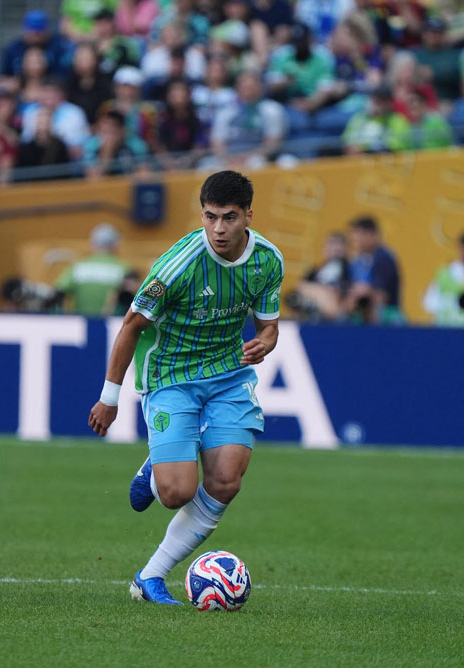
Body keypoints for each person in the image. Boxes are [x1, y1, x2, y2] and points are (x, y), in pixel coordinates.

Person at [87, 170, 283, 605]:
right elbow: (132, 325)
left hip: (230, 376)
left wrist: (263, 346)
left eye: (229, 218)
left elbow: (269, 328)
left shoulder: (268, 261)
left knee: (226, 481)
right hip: (172, 377)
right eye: (210, 217)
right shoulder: (177, 265)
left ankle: (149, 578)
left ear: (248, 215)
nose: (218, 229)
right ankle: (157, 471)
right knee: (176, 492)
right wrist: (109, 397)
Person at [210, 69, 287, 167]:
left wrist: (246, 158)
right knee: (207, 166)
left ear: (260, 87)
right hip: (229, 158)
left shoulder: (272, 110)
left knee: (257, 163)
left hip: (260, 157)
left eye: (251, 87)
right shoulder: (225, 112)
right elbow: (217, 142)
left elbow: (272, 144)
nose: (247, 90)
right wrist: (228, 159)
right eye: (243, 87)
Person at [55, 223, 131, 314]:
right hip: (113, 325)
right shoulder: (125, 269)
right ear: (115, 245)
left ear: (93, 243)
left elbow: (58, 292)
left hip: (81, 324)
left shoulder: (78, 267)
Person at [0, 10, 72, 94]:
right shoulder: (12, 49)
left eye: (39, 33)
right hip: (20, 92)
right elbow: (2, 79)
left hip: (53, 92)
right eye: (32, 32)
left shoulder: (58, 46)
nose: (36, 36)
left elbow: (65, 76)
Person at [345, 215, 402, 323]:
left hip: (386, 316)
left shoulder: (385, 258)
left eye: (359, 234)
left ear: (371, 234)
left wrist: (364, 291)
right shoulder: (356, 262)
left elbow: (381, 296)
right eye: (353, 234)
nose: (354, 239)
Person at [423, 231, 464, 326]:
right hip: (447, 331)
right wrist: (453, 303)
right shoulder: (444, 274)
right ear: (460, 247)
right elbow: (429, 303)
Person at [20, 78, 91, 160]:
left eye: (53, 92)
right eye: (45, 92)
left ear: (61, 95)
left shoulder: (74, 112)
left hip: (69, 157)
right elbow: (26, 138)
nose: (49, 96)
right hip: (37, 154)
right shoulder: (30, 111)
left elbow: (80, 141)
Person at [287, 231, 350, 321]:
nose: (334, 248)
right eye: (331, 244)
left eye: (337, 244)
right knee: (294, 299)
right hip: (312, 303)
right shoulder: (317, 270)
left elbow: (342, 293)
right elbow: (300, 286)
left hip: (334, 309)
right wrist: (317, 290)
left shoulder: (348, 268)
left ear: (345, 248)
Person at [341, 85, 413, 154]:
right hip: (358, 162)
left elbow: (398, 147)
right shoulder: (359, 118)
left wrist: (366, 149)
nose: (378, 104)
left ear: (389, 102)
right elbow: (347, 142)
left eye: (382, 101)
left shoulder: (398, 120)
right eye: (376, 100)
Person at [81, 108, 150, 177]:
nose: (108, 137)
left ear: (122, 130)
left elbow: (144, 172)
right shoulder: (90, 146)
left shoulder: (135, 144)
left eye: (111, 132)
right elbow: (93, 177)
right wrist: (107, 152)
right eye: (104, 131)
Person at [411, 18, 462, 101]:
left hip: (448, 100)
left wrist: (435, 73)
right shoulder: (415, 53)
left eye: (438, 33)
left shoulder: (455, 54)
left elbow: (458, 76)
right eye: (431, 33)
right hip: (420, 103)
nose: (434, 36)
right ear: (423, 34)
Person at [14, 107, 71, 179]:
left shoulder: (59, 146)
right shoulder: (25, 149)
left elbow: (65, 173)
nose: (43, 126)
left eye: (46, 122)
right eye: (40, 122)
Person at [66, 43, 112, 123]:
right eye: (79, 58)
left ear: (96, 60)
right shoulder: (68, 84)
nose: (83, 62)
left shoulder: (106, 86)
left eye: (87, 58)